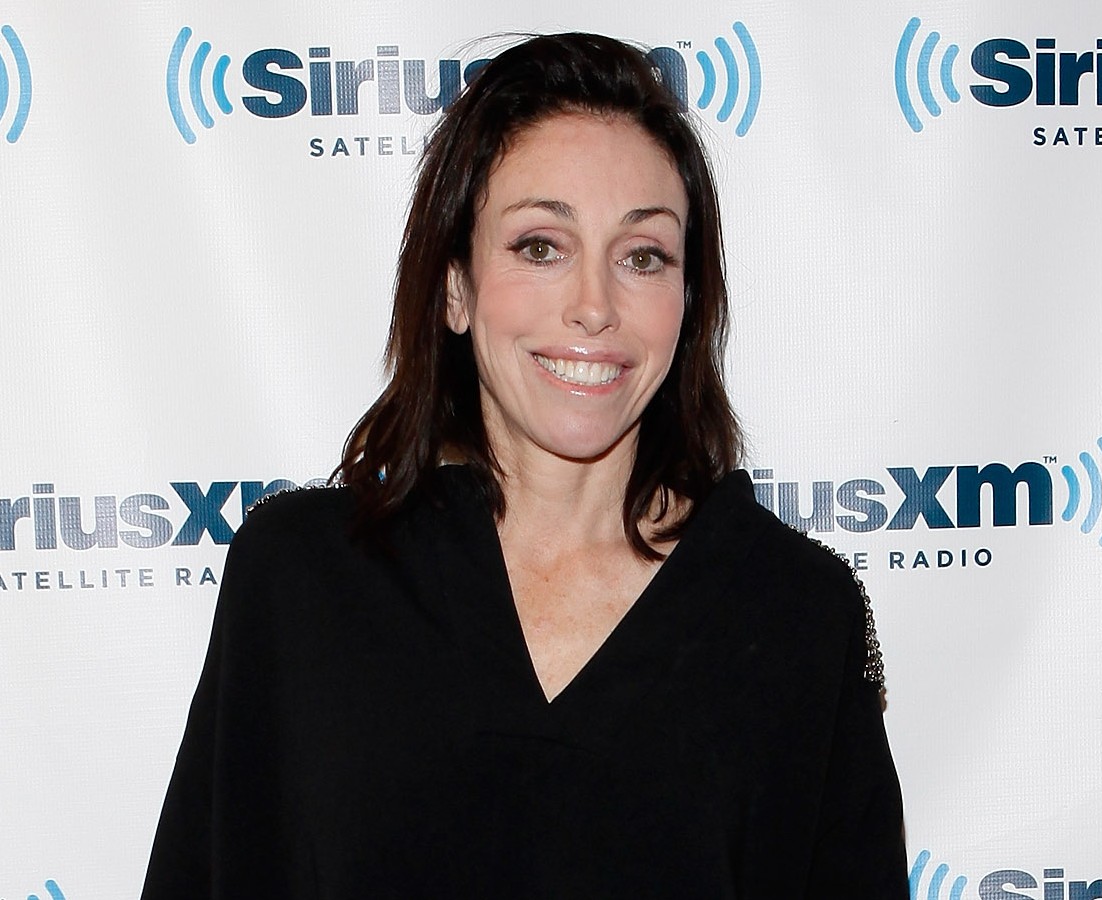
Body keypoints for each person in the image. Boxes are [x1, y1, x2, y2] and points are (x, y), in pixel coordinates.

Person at [141, 31, 907, 898]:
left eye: (643, 256)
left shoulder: (798, 612)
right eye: (541, 246)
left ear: (687, 305)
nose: (594, 305)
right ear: (456, 288)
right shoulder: (301, 580)